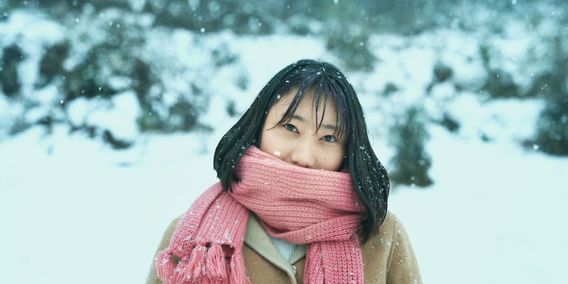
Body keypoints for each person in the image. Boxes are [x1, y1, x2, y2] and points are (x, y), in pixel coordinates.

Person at [146, 59, 422, 284]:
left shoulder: (381, 235)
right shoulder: (192, 236)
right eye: (290, 128)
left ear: (347, 150)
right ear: (258, 128)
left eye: (328, 138)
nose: (304, 156)